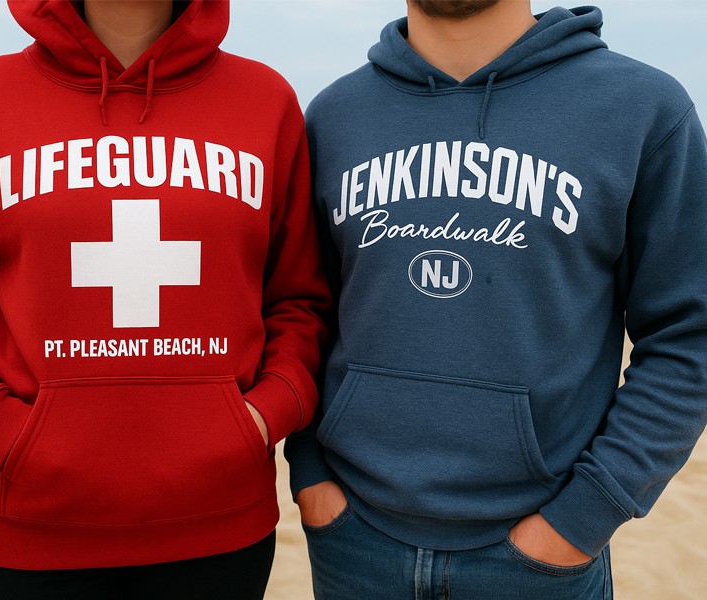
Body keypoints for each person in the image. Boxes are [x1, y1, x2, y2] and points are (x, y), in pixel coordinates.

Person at [285, 1, 707, 598]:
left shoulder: (642, 109)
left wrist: (585, 515)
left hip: (541, 555)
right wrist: (309, 473)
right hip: (351, 540)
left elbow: (688, 333)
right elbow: (305, 311)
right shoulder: (335, 115)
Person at [0, 0, 328, 598]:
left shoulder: (266, 100)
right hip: (22, 532)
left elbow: (299, 298)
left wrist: (262, 416)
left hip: (220, 528)